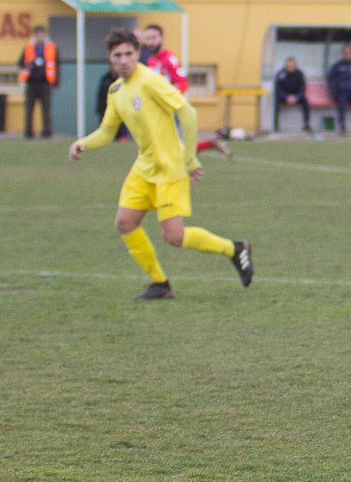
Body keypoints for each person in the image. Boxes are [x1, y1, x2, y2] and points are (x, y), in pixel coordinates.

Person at [69, 29, 253, 300]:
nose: (123, 60)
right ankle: (159, 284)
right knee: (125, 223)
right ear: (109, 57)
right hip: (144, 168)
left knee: (174, 237)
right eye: (117, 55)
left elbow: (187, 113)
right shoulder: (116, 90)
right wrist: (82, 143)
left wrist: (189, 158)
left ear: (138, 53)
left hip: (169, 169)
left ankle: (235, 249)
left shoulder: (150, 81)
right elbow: (107, 131)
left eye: (129, 54)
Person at [140, 24, 231, 157]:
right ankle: (210, 144)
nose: (150, 42)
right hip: (156, 109)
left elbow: (182, 84)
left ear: (162, 38)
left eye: (153, 38)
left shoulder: (169, 60)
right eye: (148, 39)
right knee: (168, 149)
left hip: (168, 110)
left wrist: (168, 100)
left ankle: (206, 148)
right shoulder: (151, 59)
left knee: (170, 151)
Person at [19, 24, 56, 138]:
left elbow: (56, 65)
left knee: (46, 108)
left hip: (45, 82)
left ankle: (47, 132)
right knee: (29, 108)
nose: (40, 37)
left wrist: (55, 83)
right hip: (31, 82)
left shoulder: (51, 47)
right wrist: (30, 64)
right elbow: (21, 63)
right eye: (38, 34)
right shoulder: (29, 47)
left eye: (42, 34)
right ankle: (29, 132)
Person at [327, 44, 351, 135]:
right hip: (342, 91)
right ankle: (342, 125)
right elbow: (330, 79)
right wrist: (333, 92)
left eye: (349, 53)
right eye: (345, 53)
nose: (347, 55)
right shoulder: (337, 66)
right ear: (343, 54)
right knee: (341, 100)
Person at [273, 56, 310, 132]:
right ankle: (275, 125)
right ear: (286, 65)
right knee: (275, 102)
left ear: (295, 65)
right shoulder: (281, 74)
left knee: (305, 100)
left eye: (292, 65)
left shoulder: (300, 74)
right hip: (284, 95)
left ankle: (306, 124)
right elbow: (278, 89)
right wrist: (286, 97)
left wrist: (296, 97)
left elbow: (302, 88)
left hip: (296, 96)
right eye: (289, 66)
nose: (290, 67)